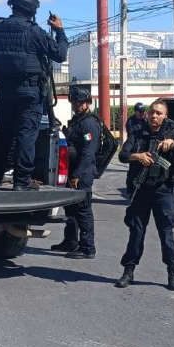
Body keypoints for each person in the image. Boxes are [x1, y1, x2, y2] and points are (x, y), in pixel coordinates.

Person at [0, 0, 68, 190]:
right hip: (29, 93)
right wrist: (60, 30)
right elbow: (60, 54)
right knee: (26, 137)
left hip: (4, 93)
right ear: (32, 10)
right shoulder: (35, 32)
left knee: (4, 135)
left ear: (13, 6)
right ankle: (21, 183)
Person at [115, 99, 174, 291]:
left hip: (162, 191)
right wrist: (137, 156)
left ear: (165, 116)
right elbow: (123, 155)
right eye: (152, 112)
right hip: (141, 190)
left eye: (158, 113)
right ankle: (128, 271)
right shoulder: (138, 133)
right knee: (136, 232)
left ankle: (172, 272)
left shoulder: (173, 134)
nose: (154, 116)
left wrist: (173, 145)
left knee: (166, 233)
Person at [51, 86, 102, 259]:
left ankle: (88, 247)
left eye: (81, 102)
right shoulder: (77, 121)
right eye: (75, 102)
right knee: (71, 209)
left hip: (82, 173)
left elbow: (89, 152)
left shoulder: (89, 123)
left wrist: (77, 175)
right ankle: (70, 241)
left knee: (83, 210)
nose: (77, 105)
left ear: (87, 103)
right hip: (73, 170)